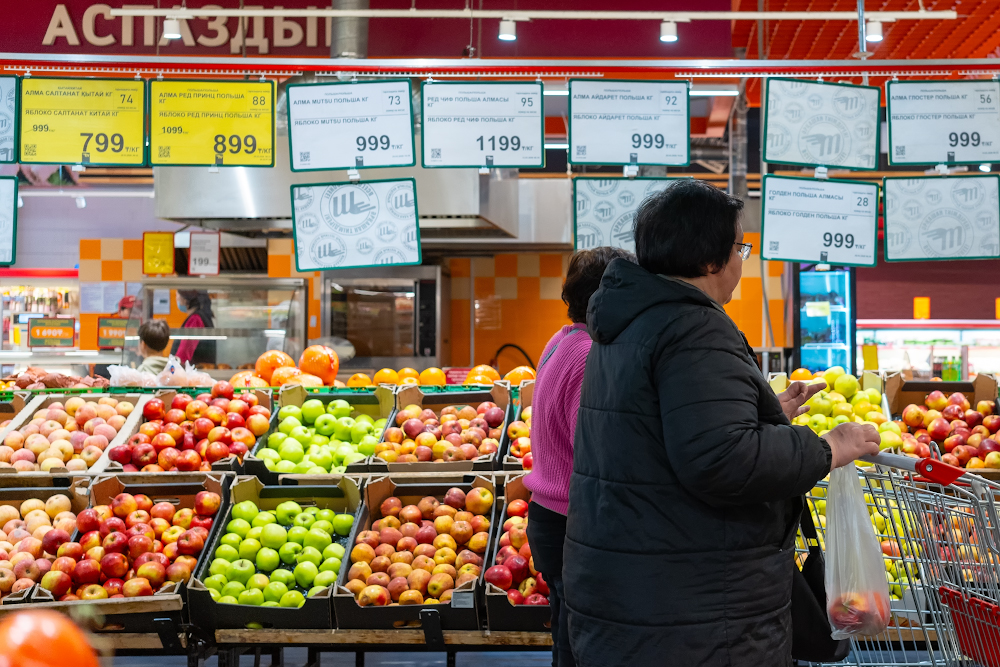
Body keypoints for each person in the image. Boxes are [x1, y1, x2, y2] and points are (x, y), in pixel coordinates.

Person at [562, 180, 881, 667]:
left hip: (637, 590)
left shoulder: (627, 325)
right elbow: (722, 461)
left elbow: (662, 434)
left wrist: (764, 414)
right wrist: (828, 448)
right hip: (697, 612)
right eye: (739, 248)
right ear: (710, 260)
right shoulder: (694, 327)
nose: (740, 261)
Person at [523, 247, 635, 667]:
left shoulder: (562, 340)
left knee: (568, 638)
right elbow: (595, 451)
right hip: (574, 522)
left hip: (549, 518)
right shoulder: (590, 355)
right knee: (584, 648)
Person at [173, 290, 216, 366]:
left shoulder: (195, 320)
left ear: (185, 300)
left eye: (177, 295)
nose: (176, 298)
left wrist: (173, 368)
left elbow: (184, 354)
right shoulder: (200, 317)